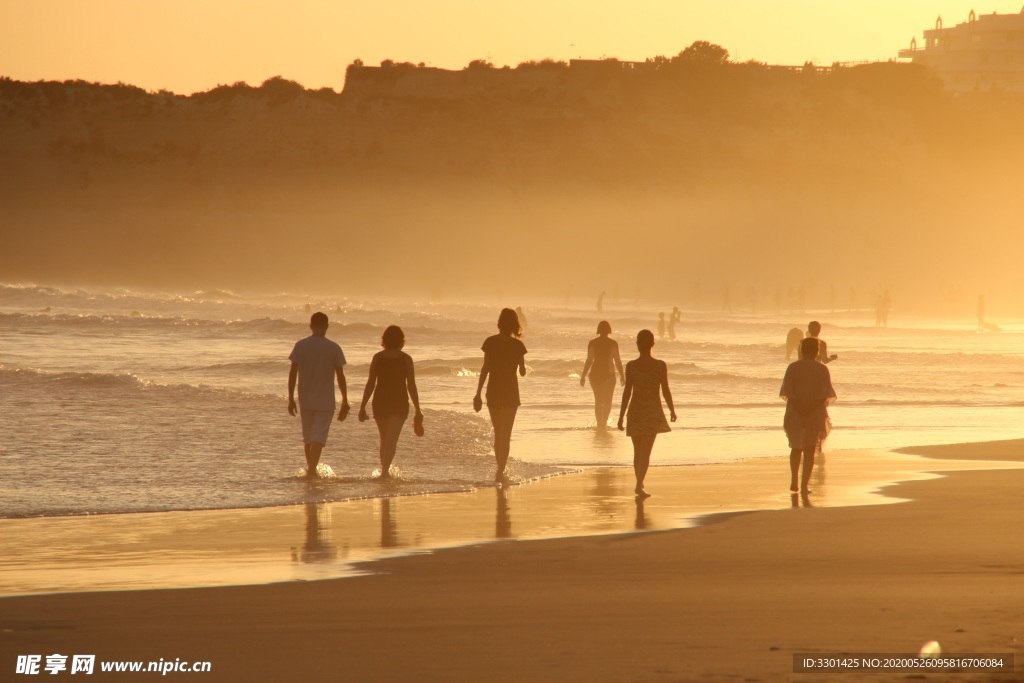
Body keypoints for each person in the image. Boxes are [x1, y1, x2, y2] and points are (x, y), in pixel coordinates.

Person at [288, 312, 349, 478]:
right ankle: (312, 471)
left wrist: (290, 398)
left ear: (310, 326)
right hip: (325, 399)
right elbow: (340, 376)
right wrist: (345, 399)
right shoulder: (333, 347)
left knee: (308, 437)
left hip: (305, 397)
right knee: (318, 437)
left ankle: (311, 470)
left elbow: (292, 373)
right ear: (327, 326)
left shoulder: (301, 345)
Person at [358, 325, 423, 479]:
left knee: (385, 438)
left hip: (380, 401)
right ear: (401, 341)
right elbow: (411, 386)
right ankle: (385, 472)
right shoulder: (406, 359)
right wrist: (418, 409)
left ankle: (384, 471)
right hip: (399, 402)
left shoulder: (378, 358)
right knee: (391, 439)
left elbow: (370, 383)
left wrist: (362, 406)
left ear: (384, 340)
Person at [617, 329, 676, 498]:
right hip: (652, 412)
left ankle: (639, 483)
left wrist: (621, 416)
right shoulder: (660, 365)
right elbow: (665, 389)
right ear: (652, 344)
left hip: (635, 411)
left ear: (637, 345)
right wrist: (672, 409)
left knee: (638, 452)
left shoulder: (631, 366)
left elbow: (627, 392)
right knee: (646, 452)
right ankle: (638, 485)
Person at [474, 308, 527, 482]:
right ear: (514, 324)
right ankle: (501, 470)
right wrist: (520, 365)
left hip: (493, 390)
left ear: (499, 322)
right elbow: (523, 371)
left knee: (498, 432)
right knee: (506, 434)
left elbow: (485, 368)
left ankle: (499, 469)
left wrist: (478, 393)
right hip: (511, 391)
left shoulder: (490, 342)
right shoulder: (518, 345)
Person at [780, 337, 837, 495]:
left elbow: (787, 392)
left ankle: (794, 481)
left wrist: (800, 407)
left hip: (795, 411)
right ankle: (804, 486)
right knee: (810, 449)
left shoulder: (793, 367)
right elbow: (825, 393)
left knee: (796, 447)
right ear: (817, 351)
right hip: (815, 412)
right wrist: (809, 407)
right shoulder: (822, 369)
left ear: (801, 350)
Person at [580, 320, 625, 430]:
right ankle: (603, 423)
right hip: (609, 376)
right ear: (609, 330)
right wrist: (622, 375)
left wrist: (583, 375)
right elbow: (618, 361)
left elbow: (589, 360)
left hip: (594, 376)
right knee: (607, 401)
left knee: (598, 401)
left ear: (598, 330)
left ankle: (599, 424)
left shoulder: (592, 343)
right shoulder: (613, 343)